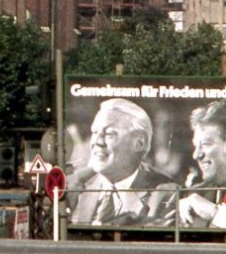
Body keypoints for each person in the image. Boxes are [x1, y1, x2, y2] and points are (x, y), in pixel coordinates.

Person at [68, 98, 176, 227]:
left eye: (109, 133)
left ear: (139, 143)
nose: (97, 141)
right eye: (95, 132)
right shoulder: (73, 186)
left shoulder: (167, 194)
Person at [179, 101, 226, 228]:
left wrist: (213, 212)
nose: (196, 155)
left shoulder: (197, 201)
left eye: (205, 144)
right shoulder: (193, 195)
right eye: (196, 146)